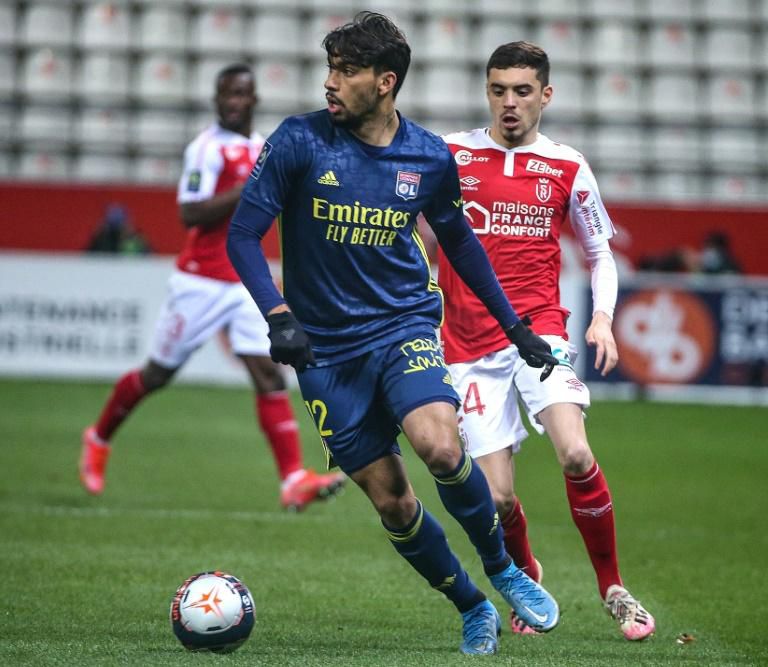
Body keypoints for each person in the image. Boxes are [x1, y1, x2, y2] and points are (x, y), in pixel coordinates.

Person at [227, 13, 561, 656]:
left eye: (347, 71)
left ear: (385, 82)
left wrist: (515, 328)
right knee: (393, 503)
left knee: (439, 445)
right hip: (324, 351)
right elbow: (242, 235)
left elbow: (461, 245)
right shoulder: (298, 140)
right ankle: (471, 604)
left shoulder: (428, 157)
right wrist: (279, 315)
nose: (331, 82)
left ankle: (502, 568)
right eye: (330, 68)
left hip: (402, 323)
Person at [436, 42, 655, 641]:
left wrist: (602, 318)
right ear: (487, 92)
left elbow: (600, 251)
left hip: (539, 334)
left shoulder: (567, 166)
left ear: (545, 95)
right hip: (467, 346)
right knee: (498, 500)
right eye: (498, 90)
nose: (509, 102)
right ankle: (526, 573)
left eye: (522, 91)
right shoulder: (449, 154)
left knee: (576, 454)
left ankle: (613, 587)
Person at [79, 64, 345, 511]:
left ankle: (293, 480)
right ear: (216, 99)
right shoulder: (205, 149)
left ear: (254, 99)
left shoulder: (260, 147)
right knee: (157, 375)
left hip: (244, 281)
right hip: (199, 281)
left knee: (268, 373)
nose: (232, 101)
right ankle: (99, 436)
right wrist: (248, 186)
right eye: (226, 93)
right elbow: (190, 213)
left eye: (240, 93)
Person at [85, 204, 151, 255]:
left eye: (120, 226)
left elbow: (151, 259)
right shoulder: (101, 240)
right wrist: (96, 238)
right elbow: (87, 258)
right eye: (112, 226)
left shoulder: (136, 241)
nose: (116, 231)